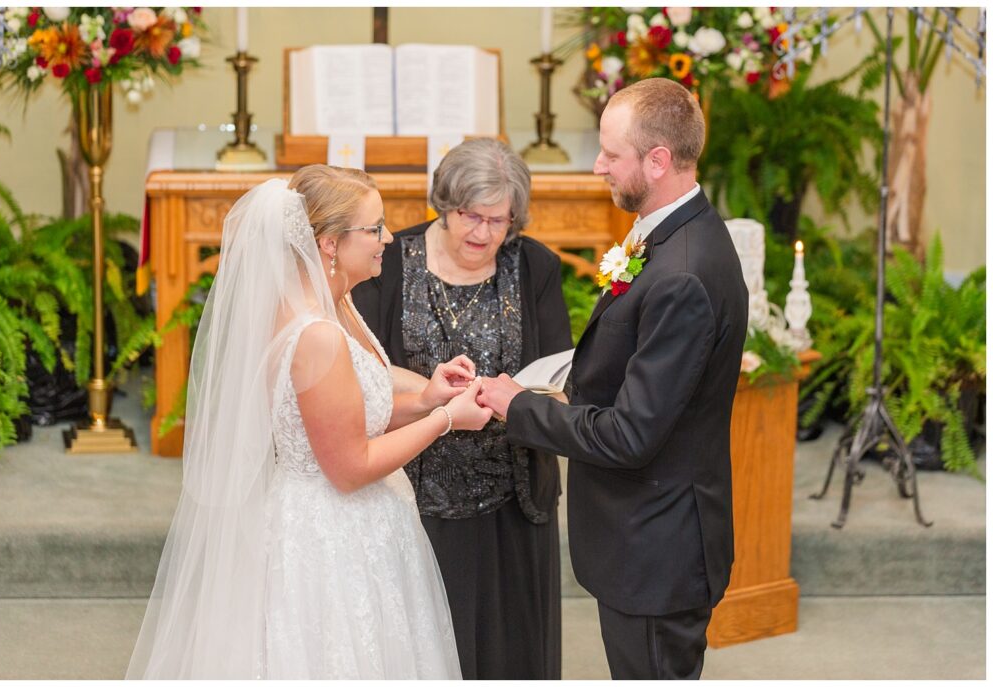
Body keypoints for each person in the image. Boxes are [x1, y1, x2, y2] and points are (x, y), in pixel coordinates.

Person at [126, 167, 494, 679]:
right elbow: (348, 466)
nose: (388, 237)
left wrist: (427, 396)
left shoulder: (336, 301)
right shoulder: (315, 333)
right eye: (374, 227)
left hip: (363, 524)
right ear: (328, 242)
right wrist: (446, 420)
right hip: (328, 538)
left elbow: (353, 408)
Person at [478, 78, 750, 680]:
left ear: (658, 161)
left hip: (659, 548)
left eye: (610, 153)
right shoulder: (677, 235)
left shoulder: (682, 272)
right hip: (650, 535)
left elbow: (630, 436)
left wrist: (518, 404)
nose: (597, 165)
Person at [352, 137, 572, 679]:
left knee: (513, 654)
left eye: (500, 220)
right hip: (415, 499)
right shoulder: (389, 264)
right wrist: (434, 401)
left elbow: (561, 375)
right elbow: (362, 375)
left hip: (515, 501)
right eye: (470, 216)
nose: (484, 233)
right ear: (443, 205)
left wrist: (518, 398)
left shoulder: (534, 265)